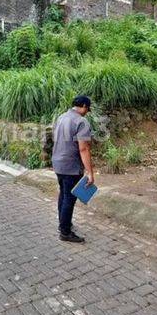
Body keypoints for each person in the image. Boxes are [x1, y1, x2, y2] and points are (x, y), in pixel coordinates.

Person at [51, 95, 94, 243]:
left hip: (57, 163)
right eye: (87, 109)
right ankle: (65, 232)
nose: (87, 112)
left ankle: (64, 224)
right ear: (83, 106)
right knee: (69, 198)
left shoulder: (61, 117)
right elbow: (83, 149)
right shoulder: (81, 122)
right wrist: (89, 172)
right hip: (70, 166)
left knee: (63, 195)